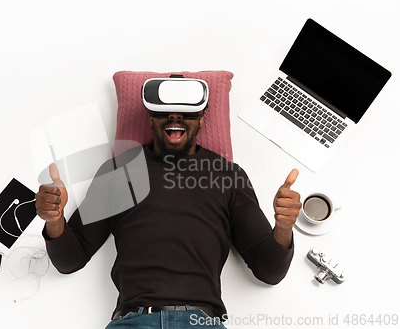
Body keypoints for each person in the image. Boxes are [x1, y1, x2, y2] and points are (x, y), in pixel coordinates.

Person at [35, 105, 302, 328]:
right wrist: (54, 219)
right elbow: (70, 260)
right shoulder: (119, 170)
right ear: (151, 116)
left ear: (202, 118)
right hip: (135, 321)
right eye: (165, 110)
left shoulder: (227, 175)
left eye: (187, 111)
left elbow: (269, 271)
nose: (175, 117)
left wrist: (284, 227)